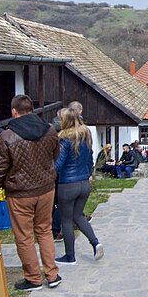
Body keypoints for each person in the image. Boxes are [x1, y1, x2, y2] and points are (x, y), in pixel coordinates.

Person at [0, 94, 62, 292]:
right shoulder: (50, 130)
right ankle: (52, 274)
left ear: (14, 111)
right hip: (46, 189)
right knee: (45, 231)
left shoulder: (6, 136)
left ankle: (33, 278)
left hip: (20, 193)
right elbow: (55, 155)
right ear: (32, 109)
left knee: (24, 236)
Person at [53, 108, 103, 266]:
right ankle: (95, 243)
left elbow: (59, 165)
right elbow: (89, 160)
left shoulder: (64, 139)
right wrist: (88, 173)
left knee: (66, 221)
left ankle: (70, 256)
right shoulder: (85, 136)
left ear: (66, 121)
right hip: (83, 183)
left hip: (68, 184)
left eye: (60, 120)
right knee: (78, 216)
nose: (58, 122)